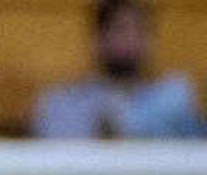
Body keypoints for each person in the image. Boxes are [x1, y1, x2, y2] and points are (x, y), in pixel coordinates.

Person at [30, 0, 202, 141]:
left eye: (141, 30)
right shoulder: (60, 106)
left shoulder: (173, 98)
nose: (131, 40)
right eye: (121, 29)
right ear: (97, 38)